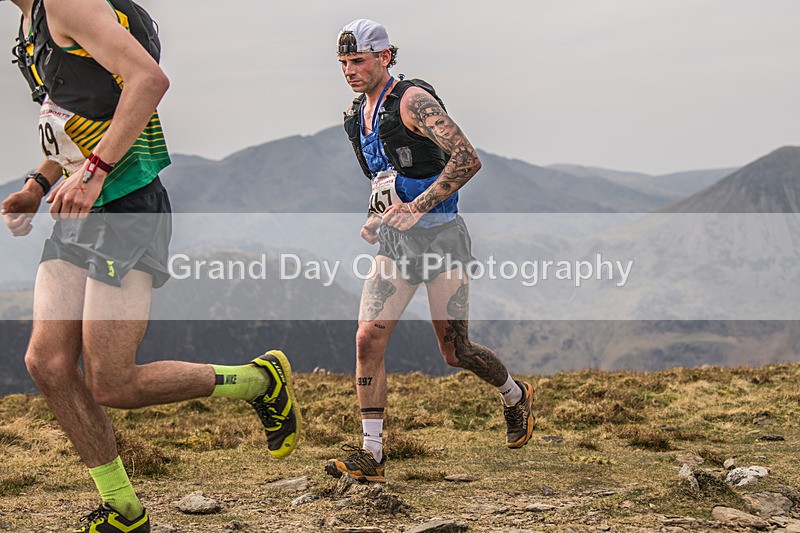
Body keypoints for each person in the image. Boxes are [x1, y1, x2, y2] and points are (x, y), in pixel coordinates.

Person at [0, 0, 299, 531]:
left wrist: (92, 173)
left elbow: (148, 80)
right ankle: (123, 507)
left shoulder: (67, 3)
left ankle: (259, 381)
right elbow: (77, 118)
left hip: (127, 207)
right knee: (46, 363)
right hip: (80, 209)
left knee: (112, 384)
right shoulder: (30, 23)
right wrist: (37, 185)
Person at [326, 19, 535, 483]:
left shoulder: (414, 101)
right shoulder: (354, 116)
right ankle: (372, 454)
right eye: (343, 63)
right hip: (396, 243)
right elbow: (385, 178)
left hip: (443, 240)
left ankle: (515, 396)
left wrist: (418, 207)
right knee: (367, 339)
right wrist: (378, 215)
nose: (350, 70)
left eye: (358, 60)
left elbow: (467, 159)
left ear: (385, 57)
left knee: (455, 351)